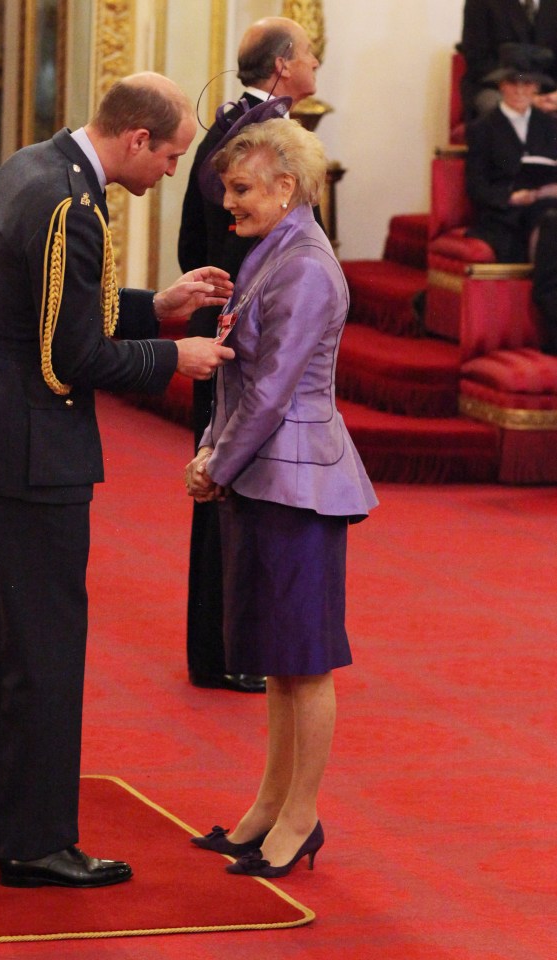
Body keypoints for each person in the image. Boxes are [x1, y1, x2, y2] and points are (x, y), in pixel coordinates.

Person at [0, 72, 235, 890]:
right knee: (45, 651)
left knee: (2, 645)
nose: (173, 170)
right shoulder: (72, 204)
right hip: (34, 452)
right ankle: (35, 842)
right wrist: (175, 356)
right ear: (136, 139)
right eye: (171, 155)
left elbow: (60, 309)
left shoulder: (33, 165)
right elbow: (74, 356)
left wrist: (157, 306)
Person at [183, 105, 378, 878]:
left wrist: (212, 464)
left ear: (286, 187)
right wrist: (211, 449)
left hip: (298, 481)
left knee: (304, 659)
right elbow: (238, 367)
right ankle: (266, 806)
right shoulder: (272, 247)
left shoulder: (303, 265)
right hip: (262, 473)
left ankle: (301, 817)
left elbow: (269, 393)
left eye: (239, 189)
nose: (227, 203)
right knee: (274, 658)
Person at [177, 16, 320, 694]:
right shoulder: (262, 140)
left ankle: (222, 644)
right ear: (285, 62)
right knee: (227, 489)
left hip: (228, 324)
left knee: (224, 489)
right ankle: (225, 645)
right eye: (311, 54)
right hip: (243, 338)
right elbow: (236, 249)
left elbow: (189, 241)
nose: (317, 64)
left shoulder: (230, 124)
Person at [465, 43, 557, 353]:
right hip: (506, 215)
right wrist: (511, 198)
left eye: (527, 83)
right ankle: (549, 311)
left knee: (550, 218)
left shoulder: (549, 125)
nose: (520, 90)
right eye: (514, 83)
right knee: (549, 224)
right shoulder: (483, 129)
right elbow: (476, 187)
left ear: (536, 88)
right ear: (502, 85)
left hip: (547, 206)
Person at [460, 0, 557, 119]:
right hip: (495, 87)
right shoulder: (480, 3)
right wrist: (525, 95)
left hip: (549, 91)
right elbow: (478, 60)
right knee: (503, 114)